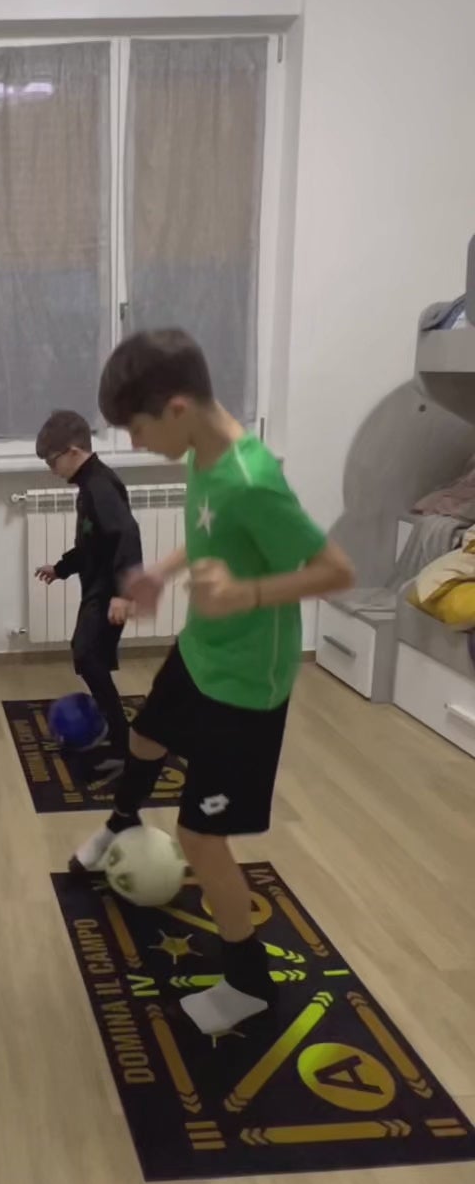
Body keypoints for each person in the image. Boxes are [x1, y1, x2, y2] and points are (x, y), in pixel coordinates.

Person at [70, 329, 354, 1034]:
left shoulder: (253, 480)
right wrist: (161, 573)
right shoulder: (203, 450)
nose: (134, 446)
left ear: (174, 409)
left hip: (245, 689)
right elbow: (210, 532)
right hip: (201, 653)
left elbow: (336, 572)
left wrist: (247, 596)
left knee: (202, 840)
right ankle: (120, 824)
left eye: (136, 431)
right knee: (143, 738)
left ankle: (250, 985)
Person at [34, 409, 142, 774]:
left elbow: (127, 535)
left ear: (73, 451)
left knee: (88, 657)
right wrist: (61, 568)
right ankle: (114, 731)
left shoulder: (99, 486)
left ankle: (125, 749)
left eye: (52, 461)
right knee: (89, 658)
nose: (51, 470)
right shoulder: (88, 486)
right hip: (98, 586)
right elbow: (93, 544)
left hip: (110, 590)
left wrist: (124, 595)